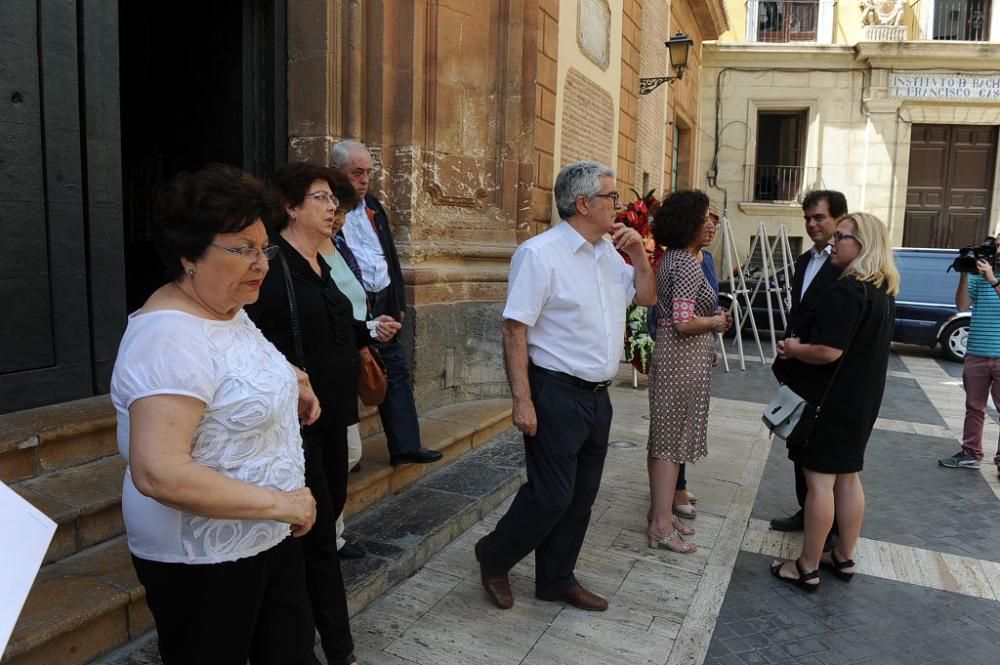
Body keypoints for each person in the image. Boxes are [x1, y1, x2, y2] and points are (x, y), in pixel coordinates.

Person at [110, 165, 322, 665]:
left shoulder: (226, 307)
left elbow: (231, 362)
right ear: (189, 256)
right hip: (206, 558)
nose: (262, 264)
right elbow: (159, 472)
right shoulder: (167, 337)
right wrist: (283, 505)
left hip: (266, 535)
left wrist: (291, 378)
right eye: (242, 249)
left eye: (263, 248)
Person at [473, 160, 655, 611]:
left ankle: (555, 577)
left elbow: (648, 297)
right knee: (550, 495)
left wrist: (640, 258)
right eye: (612, 196)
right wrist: (523, 401)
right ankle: (494, 556)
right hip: (555, 391)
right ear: (583, 203)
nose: (620, 204)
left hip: (598, 395)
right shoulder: (540, 254)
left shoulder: (609, 253)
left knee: (582, 496)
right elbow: (514, 329)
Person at [246, 162, 399, 665]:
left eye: (334, 199)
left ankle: (325, 642)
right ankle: (334, 648)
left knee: (326, 529)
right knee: (315, 540)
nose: (334, 206)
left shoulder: (326, 262)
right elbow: (255, 339)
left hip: (337, 417)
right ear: (291, 207)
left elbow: (336, 327)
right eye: (321, 198)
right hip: (297, 425)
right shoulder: (273, 268)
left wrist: (369, 331)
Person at [769, 212, 898, 591]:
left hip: (830, 399)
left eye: (842, 237)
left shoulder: (846, 289)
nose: (832, 243)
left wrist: (794, 348)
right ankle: (843, 555)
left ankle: (806, 566)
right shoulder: (882, 290)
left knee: (820, 482)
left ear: (864, 246)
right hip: (860, 399)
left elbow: (827, 351)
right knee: (848, 477)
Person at [328, 140, 442, 465]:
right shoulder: (328, 211)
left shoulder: (374, 206)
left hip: (382, 303)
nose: (364, 180)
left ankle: (405, 445)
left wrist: (398, 301)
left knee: (396, 370)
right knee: (347, 373)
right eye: (357, 173)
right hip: (349, 305)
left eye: (368, 172)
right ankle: (347, 454)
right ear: (336, 173)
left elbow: (388, 256)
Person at [646, 190, 731, 554]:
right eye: (705, 217)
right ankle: (661, 526)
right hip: (679, 357)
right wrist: (716, 321)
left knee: (666, 439)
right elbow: (682, 322)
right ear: (688, 222)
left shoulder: (674, 258)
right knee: (668, 443)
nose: (711, 224)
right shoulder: (685, 263)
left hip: (678, 357)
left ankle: (660, 514)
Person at [769, 190, 847, 533]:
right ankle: (807, 510)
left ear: (838, 220)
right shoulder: (803, 262)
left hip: (828, 372)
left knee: (824, 456)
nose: (812, 224)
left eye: (819, 218)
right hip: (797, 366)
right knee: (797, 442)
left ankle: (828, 529)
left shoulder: (846, 266)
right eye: (807, 218)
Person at [320, 182, 377, 561]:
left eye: (339, 208)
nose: (335, 215)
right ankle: (325, 536)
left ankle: (332, 535)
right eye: (325, 202)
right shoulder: (298, 258)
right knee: (343, 453)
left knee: (346, 454)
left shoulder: (336, 247)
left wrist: (370, 329)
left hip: (345, 362)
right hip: (320, 375)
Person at [939, 232, 1000, 479]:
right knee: (974, 407)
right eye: (995, 245)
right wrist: (965, 272)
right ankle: (970, 453)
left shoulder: (989, 276)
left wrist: (992, 279)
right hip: (975, 352)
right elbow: (962, 306)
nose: (995, 250)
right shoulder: (978, 275)